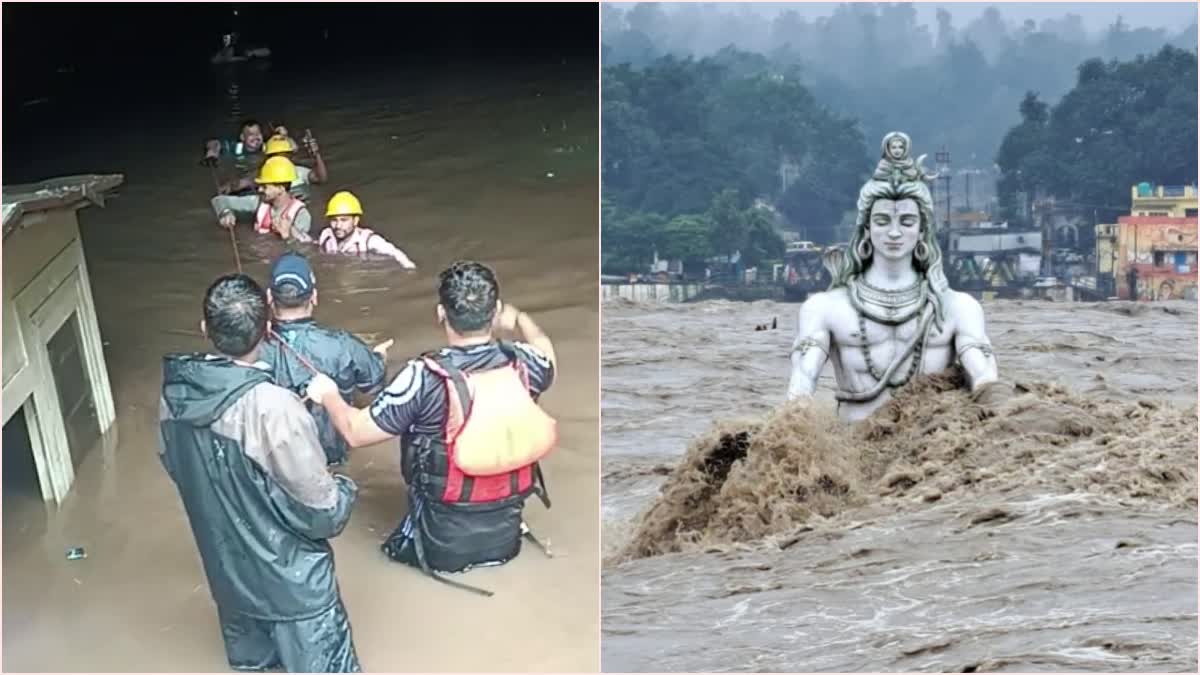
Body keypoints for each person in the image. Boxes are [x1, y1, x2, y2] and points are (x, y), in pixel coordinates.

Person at [304, 261, 557, 594]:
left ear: (441, 314)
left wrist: (329, 394)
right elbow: (547, 352)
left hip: (441, 547)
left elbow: (354, 431)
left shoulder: (422, 377)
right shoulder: (526, 362)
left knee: (386, 556)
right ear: (495, 312)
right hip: (507, 538)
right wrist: (521, 320)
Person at [158, 273, 361, 672]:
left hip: (229, 581)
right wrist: (345, 487)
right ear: (268, 330)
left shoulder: (173, 396)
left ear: (205, 329)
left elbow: (180, 469)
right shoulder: (274, 407)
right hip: (295, 590)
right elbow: (324, 513)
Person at [787, 131, 1004, 422]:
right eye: (882, 221)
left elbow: (985, 380)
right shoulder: (825, 308)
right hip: (854, 446)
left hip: (930, 450)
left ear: (922, 230)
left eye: (907, 221)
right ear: (866, 229)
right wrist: (791, 430)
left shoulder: (957, 308)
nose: (893, 232)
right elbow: (802, 382)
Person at [257, 252, 391, 466]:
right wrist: (380, 357)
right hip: (330, 460)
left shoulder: (252, 349)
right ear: (314, 297)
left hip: (275, 462)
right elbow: (374, 383)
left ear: (269, 298)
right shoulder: (342, 344)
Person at [217, 156, 314, 242]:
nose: (259, 189)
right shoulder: (259, 202)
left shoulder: (300, 215)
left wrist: (289, 236)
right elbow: (219, 200)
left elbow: (304, 248)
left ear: (280, 188)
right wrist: (225, 212)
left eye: (265, 186)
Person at [316, 191, 418, 268]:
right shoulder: (326, 236)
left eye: (344, 220)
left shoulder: (368, 240)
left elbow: (395, 252)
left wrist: (409, 268)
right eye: (334, 220)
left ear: (355, 221)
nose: (338, 225)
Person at [217, 132, 328, 201]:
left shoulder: (298, 171)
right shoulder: (263, 174)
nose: (279, 159)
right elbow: (240, 183)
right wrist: (228, 188)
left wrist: (316, 154)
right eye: (275, 155)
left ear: (289, 156)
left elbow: (321, 178)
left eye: (283, 155)